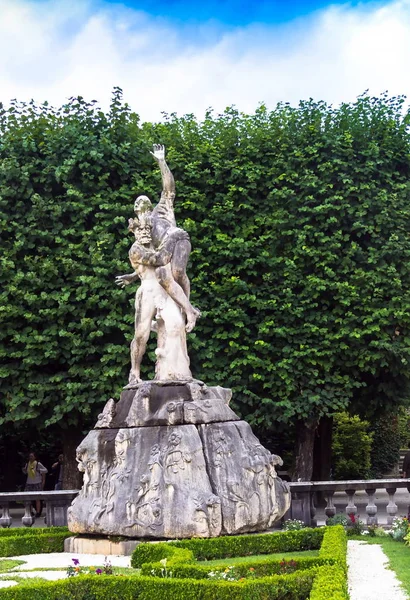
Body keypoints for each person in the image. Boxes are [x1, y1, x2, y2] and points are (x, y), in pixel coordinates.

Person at [133, 144, 200, 333]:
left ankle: (188, 311)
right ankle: (181, 311)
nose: (139, 205)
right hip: (164, 254)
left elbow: (168, 188)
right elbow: (144, 262)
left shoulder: (159, 212)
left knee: (178, 272)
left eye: (143, 202)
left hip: (177, 239)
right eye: (137, 204)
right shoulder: (141, 233)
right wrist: (132, 276)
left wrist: (162, 162)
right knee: (163, 275)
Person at [116, 219, 192, 385]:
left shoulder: (154, 244)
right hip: (148, 293)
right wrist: (174, 238)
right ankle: (134, 371)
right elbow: (160, 260)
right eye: (140, 230)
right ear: (133, 232)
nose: (144, 232)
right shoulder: (135, 249)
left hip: (164, 291)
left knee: (176, 325)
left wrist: (133, 275)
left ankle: (171, 370)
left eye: (146, 229)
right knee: (141, 335)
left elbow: (151, 264)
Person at [22, 451, 48, 517]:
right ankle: (30, 511)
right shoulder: (27, 464)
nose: (30, 457)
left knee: (37, 498)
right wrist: (24, 470)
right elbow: (26, 473)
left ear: (35, 457)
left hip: (37, 482)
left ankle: (38, 512)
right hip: (29, 483)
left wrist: (39, 471)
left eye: (32, 456)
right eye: (29, 456)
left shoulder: (38, 464)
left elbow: (46, 470)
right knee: (27, 498)